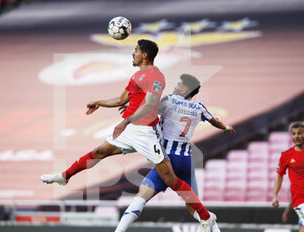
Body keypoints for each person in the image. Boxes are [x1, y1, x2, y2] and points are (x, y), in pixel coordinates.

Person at [41, 39, 217, 232]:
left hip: (146, 132)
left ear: (144, 55)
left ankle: (206, 217)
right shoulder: (136, 76)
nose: (132, 53)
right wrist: (99, 102)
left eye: (135, 50)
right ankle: (64, 176)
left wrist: (125, 121)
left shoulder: (156, 77)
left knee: (170, 179)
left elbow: (150, 105)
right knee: (99, 152)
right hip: (130, 129)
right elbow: (121, 99)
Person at [114, 74, 235, 232]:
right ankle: (216, 230)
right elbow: (216, 121)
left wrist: (131, 108)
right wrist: (226, 127)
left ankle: (119, 231)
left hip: (167, 159)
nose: (175, 87)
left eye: (178, 84)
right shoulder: (199, 107)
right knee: (194, 207)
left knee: (142, 196)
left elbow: (148, 108)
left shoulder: (169, 100)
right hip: (186, 161)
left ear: (184, 89)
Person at [272, 122, 304, 232]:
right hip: (301, 198)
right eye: (294, 134)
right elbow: (279, 175)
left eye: (299, 133)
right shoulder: (286, 156)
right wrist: (275, 196)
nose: (297, 136)